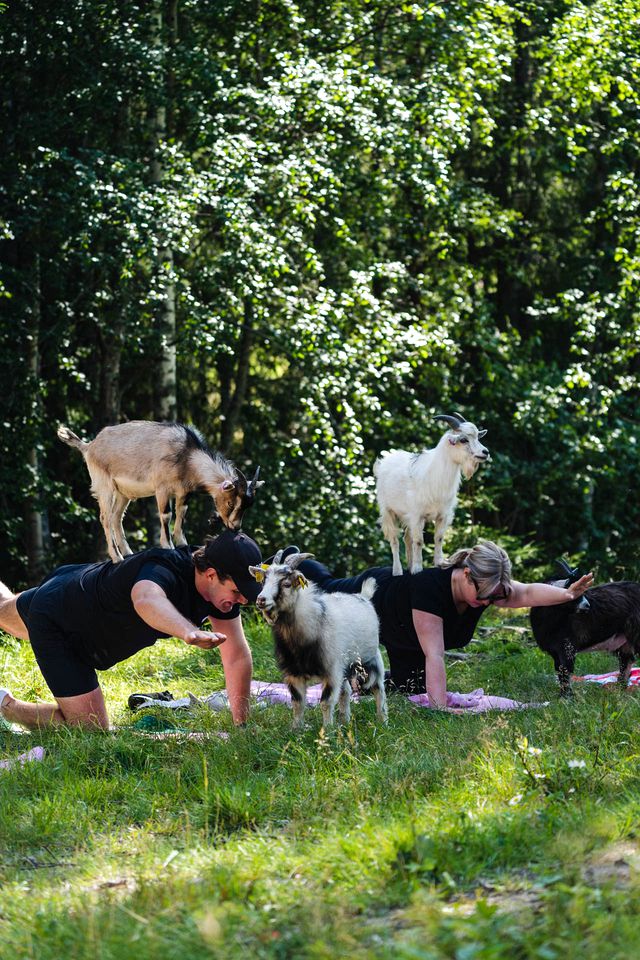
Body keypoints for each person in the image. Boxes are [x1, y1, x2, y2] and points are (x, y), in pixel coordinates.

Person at [0, 528, 262, 730]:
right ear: (211, 574)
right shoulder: (165, 566)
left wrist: (242, 725)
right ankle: (6, 705)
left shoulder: (220, 597)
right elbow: (146, 600)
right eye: (237, 591)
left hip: (71, 594)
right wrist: (188, 632)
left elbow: (236, 655)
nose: (242, 600)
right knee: (90, 729)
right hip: (60, 618)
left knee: (3, 608)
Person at [283, 540, 593, 709]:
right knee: (325, 588)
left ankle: (362, 678)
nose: (487, 602)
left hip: (406, 636)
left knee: (409, 687)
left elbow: (525, 592)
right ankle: (290, 559)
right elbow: (435, 654)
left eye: (493, 596)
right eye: (483, 595)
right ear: (467, 574)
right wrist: (440, 707)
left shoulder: (487, 587)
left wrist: (566, 593)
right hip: (378, 596)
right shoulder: (430, 589)